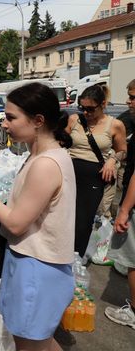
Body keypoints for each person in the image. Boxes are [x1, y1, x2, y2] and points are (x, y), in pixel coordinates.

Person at [0, 82, 76, 351]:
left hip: (37, 269)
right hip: (34, 264)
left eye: (11, 117)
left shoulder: (45, 164)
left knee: (30, 344)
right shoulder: (44, 155)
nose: (4, 124)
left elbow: (17, 223)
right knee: (40, 339)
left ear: (38, 120)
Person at [65, 84, 126, 257]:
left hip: (93, 179)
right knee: (64, 218)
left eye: (91, 109)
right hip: (69, 174)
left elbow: (123, 151)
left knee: (83, 222)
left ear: (103, 104)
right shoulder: (74, 120)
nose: (86, 113)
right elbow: (61, 140)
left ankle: (76, 259)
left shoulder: (115, 125)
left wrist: (112, 160)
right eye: (82, 108)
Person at [105, 78, 135, 330]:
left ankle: (133, 313)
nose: (128, 101)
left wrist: (124, 209)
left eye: (134, 97)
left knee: (133, 259)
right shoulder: (128, 119)